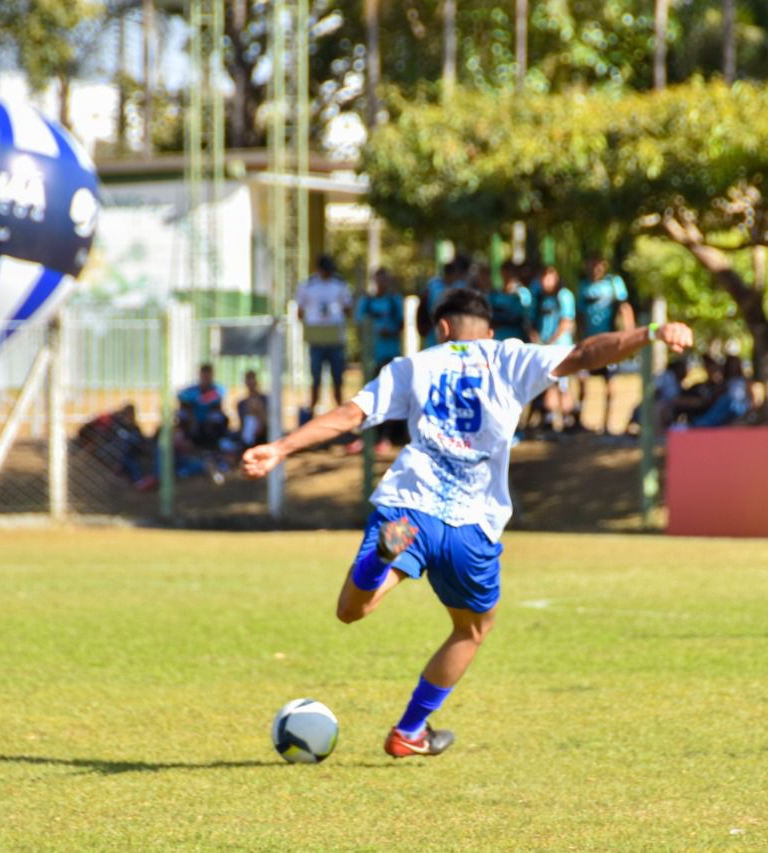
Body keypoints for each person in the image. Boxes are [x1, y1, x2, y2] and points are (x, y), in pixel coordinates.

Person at [242, 287, 692, 757]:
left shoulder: (414, 364)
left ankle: (381, 560)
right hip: (470, 525)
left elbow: (350, 415)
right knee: (472, 630)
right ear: (489, 330)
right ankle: (409, 731)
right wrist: (651, 332)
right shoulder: (509, 357)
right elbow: (584, 354)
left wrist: (281, 448)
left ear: (441, 328)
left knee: (351, 611)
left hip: (409, 510)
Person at [576, 256, 635, 434]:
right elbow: (580, 314)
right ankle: (579, 420)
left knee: (609, 383)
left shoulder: (614, 283)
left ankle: (607, 424)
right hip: (589, 342)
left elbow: (624, 307)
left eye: (599, 264)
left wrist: (630, 334)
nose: (595, 267)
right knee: (582, 380)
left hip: (608, 341)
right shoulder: (583, 286)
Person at [356, 268, 407, 451]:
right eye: (378, 279)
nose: (381, 283)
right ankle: (367, 436)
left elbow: (401, 325)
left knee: (388, 395)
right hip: (371, 356)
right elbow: (359, 326)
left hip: (389, 355)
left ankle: (386, 437)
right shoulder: (366, 301)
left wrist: (390, 332)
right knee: (369, 396)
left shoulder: (395, 301)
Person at [296, 254, 353, 412]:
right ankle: (312, 409)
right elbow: (299, 311)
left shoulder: (340, 285)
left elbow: (348, 308)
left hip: (335, 337)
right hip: (317, 337)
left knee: (338, 377)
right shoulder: (307, 285)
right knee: (315, 376)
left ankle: (341, 412)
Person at [530, 265, 577, 432]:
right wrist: (536, 338)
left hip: (560, 349)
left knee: (563, 385)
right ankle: (550, 420)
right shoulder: (539, 297)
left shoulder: (564, 296)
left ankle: (567, 420)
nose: (544, 281)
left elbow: (566, 322)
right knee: (549, 384)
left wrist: (550, 342)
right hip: (544, 348)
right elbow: (530, 320)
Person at [77, 403, 155, 491]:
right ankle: (137, 479)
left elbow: (140, 441)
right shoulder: (115, 423)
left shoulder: (132, 427)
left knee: (129, 450)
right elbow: (102, 438)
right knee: (126, 446)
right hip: (114, 451)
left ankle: (137, 479)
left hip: (125, 452)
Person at [419, 256, 470, 348]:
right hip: (434, 328)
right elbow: (423, 307)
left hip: (454, 328)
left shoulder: (460, 285)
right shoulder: (433, 286)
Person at [177, 363, 229, 451]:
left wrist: (197, 399)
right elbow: (181, 396)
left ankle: (214, 445)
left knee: (217, 418)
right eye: (203, 375)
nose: (206, 378)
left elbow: (215, 398)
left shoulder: (217, 389)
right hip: (193, 419)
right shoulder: (192, 389)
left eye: (208, 375)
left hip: (208, 422)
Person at [691, 354, 752, 428]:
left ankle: (705, 422)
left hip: (740, 406)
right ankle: (706, 421)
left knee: (727, 400)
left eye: (735, 364)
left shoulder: (744, 381)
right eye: (731, 365)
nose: (733, 367)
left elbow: (749, 397)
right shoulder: (726, 381)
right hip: (728, 406)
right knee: (724, 402)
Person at [488, 262, 532, 343]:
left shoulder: (523, 293)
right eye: (505, 272)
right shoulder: (494, 295)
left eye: (511, 272)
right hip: (498, 337)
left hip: (517, 337)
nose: (507, 275)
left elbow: (524, 316)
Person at [236, 369, 269, 450]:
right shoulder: (242, 403)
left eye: (252, 379)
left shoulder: (265, 399)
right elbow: (241, 425)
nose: (250, 382)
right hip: (248, 440)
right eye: (248, 379)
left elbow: (266, 420)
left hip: (262, 438)